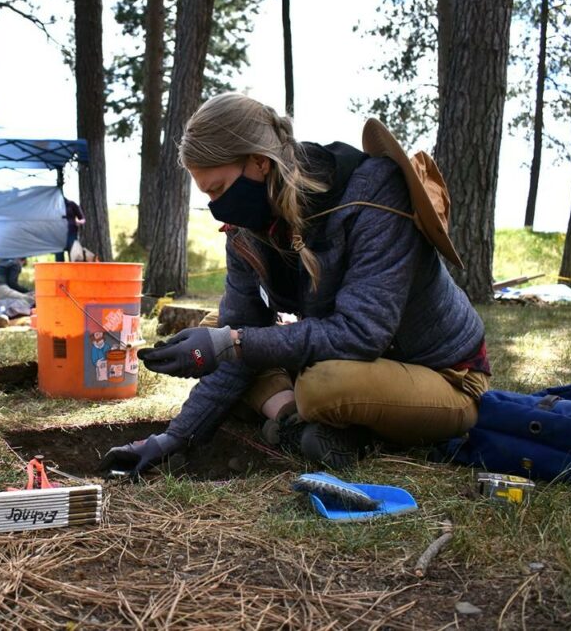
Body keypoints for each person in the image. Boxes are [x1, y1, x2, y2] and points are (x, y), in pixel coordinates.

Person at [100, 92, 490, 477]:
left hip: (442, 375)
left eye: (217, 189)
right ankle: (296, 424)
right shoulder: (246, 229)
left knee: (322, 386)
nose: (216, 206)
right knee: (212, 334)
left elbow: (362, 333)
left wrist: (234, 343)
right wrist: (175, 439)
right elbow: (241, 331)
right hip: (350, 363)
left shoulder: (374, 195)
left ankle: (323, 420)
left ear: (258, 162)